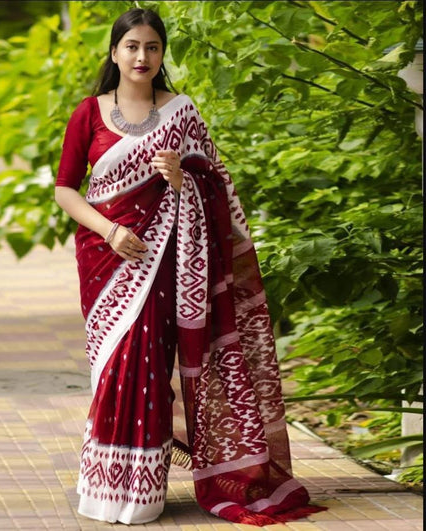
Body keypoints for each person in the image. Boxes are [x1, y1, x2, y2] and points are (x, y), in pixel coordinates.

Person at [55, 7, 324, 526]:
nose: (141, 56)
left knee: (151, 371)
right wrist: (109, 231)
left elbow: (216, 190)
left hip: (163, 264)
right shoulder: (88, 113)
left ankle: (141, 493)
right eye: (131, 46)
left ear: (161, 55)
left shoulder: (182, 112)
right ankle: (105, 487)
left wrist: (180, 177)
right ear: (114, 53)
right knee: (114, 370)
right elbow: (66, 188)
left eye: (151, 47)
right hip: (105, 260)